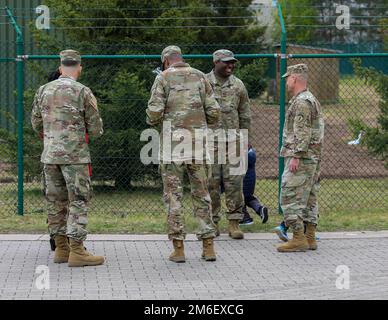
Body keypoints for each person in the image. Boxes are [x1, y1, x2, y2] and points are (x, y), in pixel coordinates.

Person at [146, 45, 220, 263]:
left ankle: (178, 249)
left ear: (166, 62)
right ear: (181, 58)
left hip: (173, 148)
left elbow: (154, 112)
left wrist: (157, 120)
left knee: (173, 197)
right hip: (198, 146)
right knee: (202, 195)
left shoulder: (163, 78)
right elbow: (214, 111)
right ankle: (208, 247)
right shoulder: (200, 77)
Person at [31, 49, 105, 267]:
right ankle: (77, 251)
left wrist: (52, 137)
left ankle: (61, 249)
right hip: (75, 157)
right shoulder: (83, 91)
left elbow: (36, 123)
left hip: (50, 155)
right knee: (78, 201)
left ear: (60, 67)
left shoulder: (43, 90)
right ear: (79, 68)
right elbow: (95, 128)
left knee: (55, 202)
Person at [276, 63, 324, 252]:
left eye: (288, 78)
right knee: (309, 197)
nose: (287, 82)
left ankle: (298, 238)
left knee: (290, 195)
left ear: (294, 78)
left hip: (301, 158)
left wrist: (296, 155)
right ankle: (310, 237)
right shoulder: (311, 99)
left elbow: (301, 132)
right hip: (312, 157)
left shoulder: (302, 102)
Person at [206, 49, 251, 239]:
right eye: (226, 62)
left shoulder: (238, 85)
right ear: (216, 62)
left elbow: (245, 114)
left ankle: (234, 223)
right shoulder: (204, 83)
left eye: (232, 62)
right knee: (211, 183)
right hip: (210, 143)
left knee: (234, 183)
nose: (230, 65)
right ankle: (213, 222)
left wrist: (245, 139)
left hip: (234, 142)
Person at [239, 145, 269, 225]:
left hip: (241, 175)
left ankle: (245, 218)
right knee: (247, 197)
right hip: (249, 176)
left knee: (238, 196)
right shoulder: (250, 152)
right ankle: (260, 209)